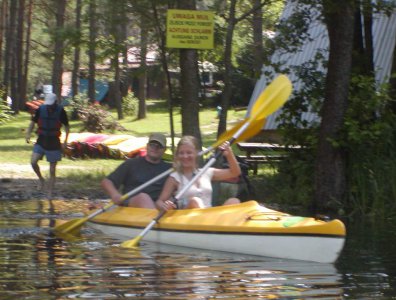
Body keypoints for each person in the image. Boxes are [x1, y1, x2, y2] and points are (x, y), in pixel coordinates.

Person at [156, 135, 241, 211]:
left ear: (197, 153)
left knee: (234, 201)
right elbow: (159, 202)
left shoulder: (207, 172)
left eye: (189, 153)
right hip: (187, 218)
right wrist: (164, 206)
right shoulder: (174, 178)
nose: (185, 156)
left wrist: (229, 154)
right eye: (181, 153)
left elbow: (235, 173)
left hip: (209, 216)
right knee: (195, 201)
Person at [101, 133, 172, 208]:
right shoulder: (131, 164)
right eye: (152, 145)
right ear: (147, 146)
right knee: (143, 198)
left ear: (164, 150)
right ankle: (154, 217)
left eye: (159, 146)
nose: (155, 148)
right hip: (133, 206)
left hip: (158, 206)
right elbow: (107, 182)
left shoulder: (169, 169)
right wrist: (114, 194)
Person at [25, 93, 70, 198]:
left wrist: (65, 142)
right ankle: (41, 179)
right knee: (33, 162)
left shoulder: (61, 111)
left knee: (52, 170)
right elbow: (32, 122)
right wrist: (28, 133)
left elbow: (67, 127)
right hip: (41, 140)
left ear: (55, 102)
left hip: (54, 143)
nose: (49, 106)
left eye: (51, 104)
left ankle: (50, 192)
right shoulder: (41, 109)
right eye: (48, 104)